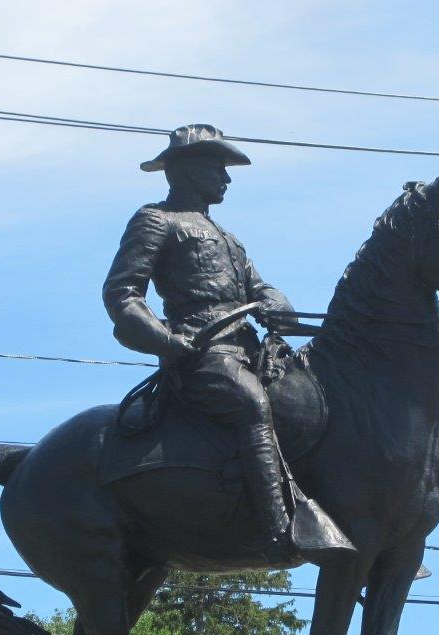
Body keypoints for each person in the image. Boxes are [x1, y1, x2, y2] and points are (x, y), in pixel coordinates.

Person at [103, 124, 308, 561]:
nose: (226, 178)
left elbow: (263, 289)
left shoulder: (230, 240)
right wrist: (165, 340)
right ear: (188, 170)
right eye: (217, 167)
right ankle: (277, 532)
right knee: (252, 404)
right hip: (205, 356)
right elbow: (122, 294)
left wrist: (275, 304)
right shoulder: (156, 220)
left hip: (251, 350)